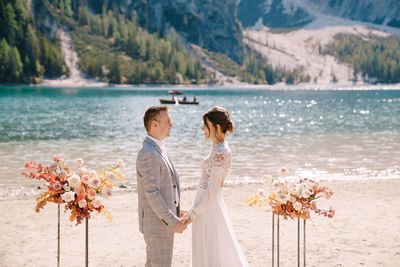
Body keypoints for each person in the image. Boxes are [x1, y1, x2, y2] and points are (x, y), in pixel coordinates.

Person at [183, 106, 249, 267]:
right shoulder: (218, 149)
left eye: (206, 125)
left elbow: (212, 190)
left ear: (216, 127)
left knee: (212, 249)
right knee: (208, 249)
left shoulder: (221, 152)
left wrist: (194, 213)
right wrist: (193, 209)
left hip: (208, 207)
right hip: (204, 205)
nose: (202, 128)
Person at [136, 105, 188, 267]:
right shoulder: (149, 153)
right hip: (158, 226)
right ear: (154, 124)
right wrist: (173, 221)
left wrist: (177, 210)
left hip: (160, 223)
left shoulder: (157, 148)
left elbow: (166, 187)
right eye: (168, 122)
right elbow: (152, 193)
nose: (171, 125)